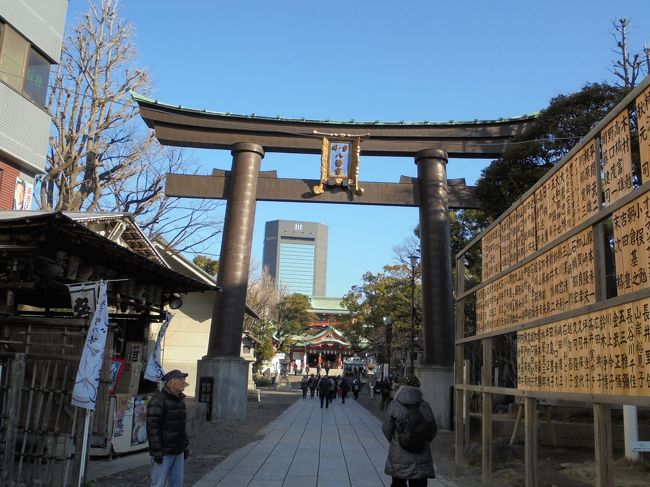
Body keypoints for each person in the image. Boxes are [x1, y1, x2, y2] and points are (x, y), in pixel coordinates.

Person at [382, 375, 437, 487]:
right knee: (419, 483)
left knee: (398, 483)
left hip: (399, 452)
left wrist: (396, 440)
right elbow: (433, 429)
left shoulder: (395, 404)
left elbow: (386, 428)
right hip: (420, 452)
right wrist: (422, 439)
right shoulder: (424, 405)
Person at [146, 369, 190, 487]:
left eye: (183, 379)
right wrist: (156, 451)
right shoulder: (157, 400)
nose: (183, 382)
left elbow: (181, 426)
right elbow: (152, 427)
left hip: (178, 450)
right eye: (180, 380)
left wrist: (184, 445)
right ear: (171, 383)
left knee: (177, 483)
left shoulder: (180, 401)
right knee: (158, 483)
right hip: (164, 451)